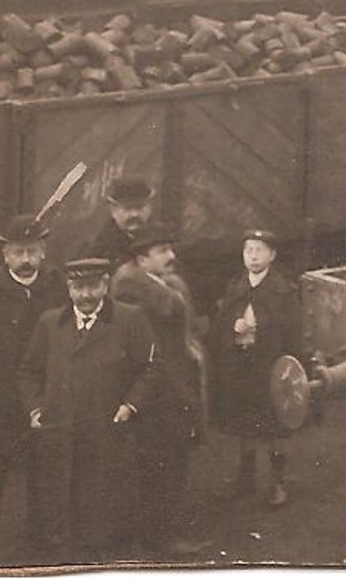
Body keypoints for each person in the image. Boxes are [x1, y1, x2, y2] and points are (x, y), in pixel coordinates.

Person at [18, 257, 158, 560]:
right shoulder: (50, 323)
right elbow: (28, 370)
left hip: (107, 427)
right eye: (79, 287)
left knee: (105, 497)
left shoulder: (129, 319)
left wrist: (130, 405)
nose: (86, 295)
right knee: (63, 493)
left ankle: (107, 556)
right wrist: (35, 408)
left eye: (93, 286)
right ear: (69, 289)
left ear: (105, 285)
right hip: (62, 428)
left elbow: (150, 369)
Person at [0, 215, 68, 561]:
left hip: (45, 395)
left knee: (44, 471)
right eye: (19, 252)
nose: (26, 260)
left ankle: (40, 544)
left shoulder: (56, 286)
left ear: (43, 252)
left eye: (33, 251)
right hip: (1, 398)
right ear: (5, 255)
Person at [111, 223, 207, 556]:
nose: (171, 256)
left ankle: (161, 531)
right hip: (158, 391)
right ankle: (158, 539)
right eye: (162, 251)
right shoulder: (131, 290)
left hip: (173, 386)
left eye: (170, 248)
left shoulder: (161, 284)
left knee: (169, 462)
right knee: (159, 465)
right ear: (141, 258)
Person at [209, 230, 301, 508]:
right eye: (248, 250)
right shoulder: (236, 286)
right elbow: (220, 323)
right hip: (241, 364)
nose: (253, 256)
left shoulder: (282, 290)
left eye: (259, 250)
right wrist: (232, 327)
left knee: (274, 426)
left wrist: (261, 329)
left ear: (272, 255)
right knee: (243, 422)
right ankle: (245, 479)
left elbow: (292, 330)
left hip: (269, 367)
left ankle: (277, 483)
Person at [81, 176, 156, 263]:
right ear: (113, 210)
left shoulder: (163, 239)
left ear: (150, 207)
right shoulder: (99, 250)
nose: (135, 214)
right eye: (127, 209)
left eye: (140, 208)